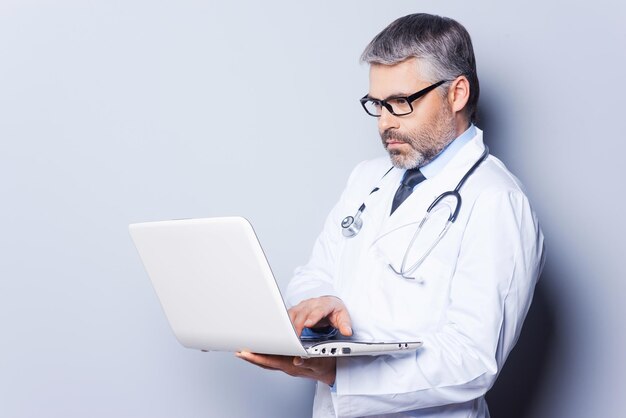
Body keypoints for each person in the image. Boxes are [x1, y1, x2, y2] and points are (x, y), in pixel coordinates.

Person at [237, 13, 545, 418]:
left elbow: (472, 360)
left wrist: (340, 375)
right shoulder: (367, 179)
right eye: (377, 104)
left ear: (456, 94)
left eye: (400, 103)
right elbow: (313, 275)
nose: (384, 123)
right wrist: (321, 305)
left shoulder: (497, 201)